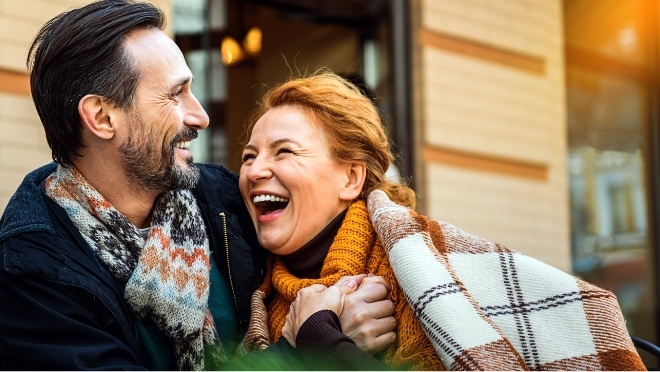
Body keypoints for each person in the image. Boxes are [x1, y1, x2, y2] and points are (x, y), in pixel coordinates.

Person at [0, 1, 395, 370]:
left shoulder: (223, 198)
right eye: (175, 95)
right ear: (102, 117)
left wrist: (349, 300)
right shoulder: (33, 274)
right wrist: (304, 350)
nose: (200, 116)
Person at [237, 69, 647, 370]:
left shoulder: (434, 270)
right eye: (249, 156)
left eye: (284, 151)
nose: (255, 171)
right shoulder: (254, 297)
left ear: (351, 177)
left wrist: (319, 339)